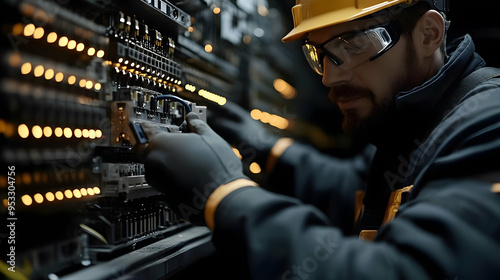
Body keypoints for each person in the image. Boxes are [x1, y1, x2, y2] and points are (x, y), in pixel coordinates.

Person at [141, 0, 500, 279]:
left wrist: (225, 196)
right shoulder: (411, 129)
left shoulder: (488, 124)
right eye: (320, 54)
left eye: (353, 43)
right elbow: (349, 191)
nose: (329, 77)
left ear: (428, 34)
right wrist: (267, 148)